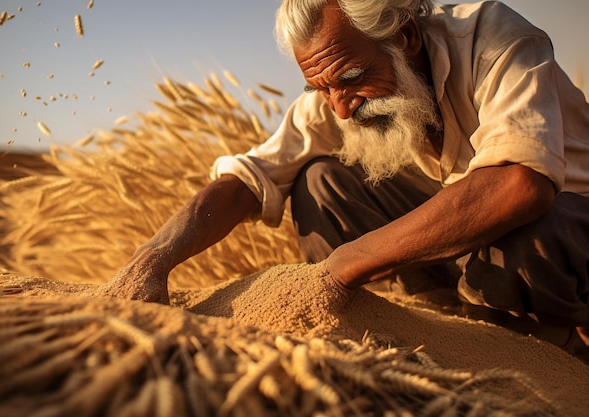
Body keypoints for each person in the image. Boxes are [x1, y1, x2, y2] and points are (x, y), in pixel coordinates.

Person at [99, 0, 589, 353]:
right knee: (320, 183)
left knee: (535, 231)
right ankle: (441, 329)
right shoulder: (333, 94)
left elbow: (519, 184)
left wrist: (340, 267)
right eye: (320, 87)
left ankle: (548, 347)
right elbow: (247, 179)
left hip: (569, 237)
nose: (340, 107)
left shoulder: (495, 38)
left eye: (352, 79)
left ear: (406, 37)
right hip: (470, 250)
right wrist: (154, 257)